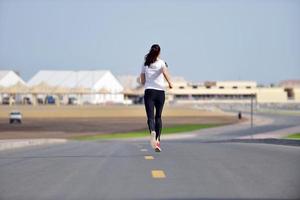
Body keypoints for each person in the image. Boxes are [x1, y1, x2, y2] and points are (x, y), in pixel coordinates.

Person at [139, 44, 173, 152]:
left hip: (149, 92)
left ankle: (152, 132)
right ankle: (158, 139)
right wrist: (170, 83)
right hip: (160, 92)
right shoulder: (161, 63)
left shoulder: (145, 64)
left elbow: (143, 80)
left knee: (150, 117)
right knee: (158, 116)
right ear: (159, 53)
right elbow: (165, 72)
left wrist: (146, 81)